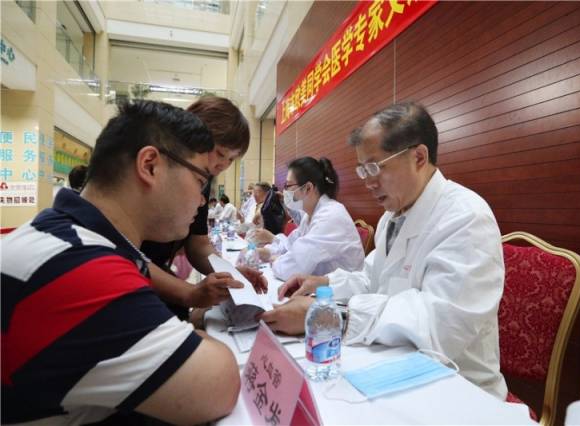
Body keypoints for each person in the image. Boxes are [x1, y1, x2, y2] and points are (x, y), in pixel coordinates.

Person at [1, 101, 240, 424]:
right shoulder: (82, 270)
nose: (201, 200)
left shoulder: (70, 235)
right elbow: (219, 384)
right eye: (199, 181)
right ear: (150, 166)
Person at [261, 102, 508, 399]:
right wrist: (325, 284)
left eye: (375, 167)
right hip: (398, 365)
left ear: (418, 157)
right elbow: (371, 278)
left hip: (458, 386)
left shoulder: (466, 217)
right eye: (362, 169)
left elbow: (439, 326)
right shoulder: (393, 215)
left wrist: (336, 318)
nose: (367, 181)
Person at [140, 96, 266, 323]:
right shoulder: (163, 171)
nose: (222, 165)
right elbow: (127, 255)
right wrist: (190, 294)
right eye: (219, 153)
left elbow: (197, 243)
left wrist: (231, 275)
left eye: (231, 159)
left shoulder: (203, 179)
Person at [253, 157, 365, 281]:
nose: (284, 191)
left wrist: (275, 260)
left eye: (288, 185)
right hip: (318, 289)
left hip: (339, 296)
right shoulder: (309, 215)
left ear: (308, 188)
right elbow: (290, 246)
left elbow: (290, 269)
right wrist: (267, 252)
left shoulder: (330, 216)